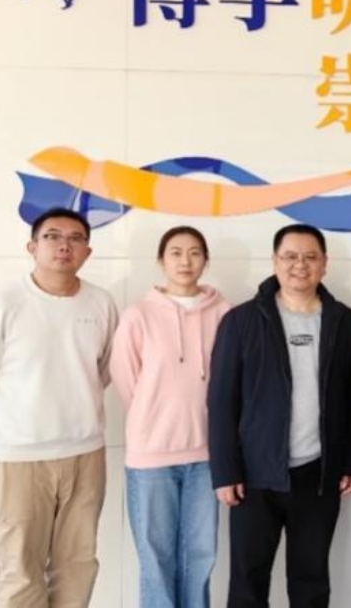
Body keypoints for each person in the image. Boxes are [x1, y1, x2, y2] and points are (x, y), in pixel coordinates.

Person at [0, 207, 119, 608]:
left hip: (85, 455)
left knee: (78, 565)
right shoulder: (3, 305)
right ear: (32, 247)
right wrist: (11, 427)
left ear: (87, 251)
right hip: (18, 460)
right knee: (18, 570)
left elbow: (103, 370)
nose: (64, 245)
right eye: (52, 236)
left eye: (76, 238)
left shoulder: (101, 303)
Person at [207, 224, 351, 607]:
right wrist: (225, 471)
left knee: (311, 580)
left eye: (310, 257)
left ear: (324, 264)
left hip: (318, 474)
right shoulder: (241, 320)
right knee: (248, 581)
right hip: (254, 475)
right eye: (290, 256)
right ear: (274, 261)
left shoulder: (345, 321)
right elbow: (222, 401)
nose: (300, 265)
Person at [110, 226, 230, 608]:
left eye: (194, 253)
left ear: (206, 261)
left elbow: (231, 381)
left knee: (200, 557)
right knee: (156, 559)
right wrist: (155, 415)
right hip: (151, 457)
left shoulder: (224, 314)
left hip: (207, 456)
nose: (185, 261)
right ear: (160, 260)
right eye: (175, 252)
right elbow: (126, 378)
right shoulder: (138, 316)